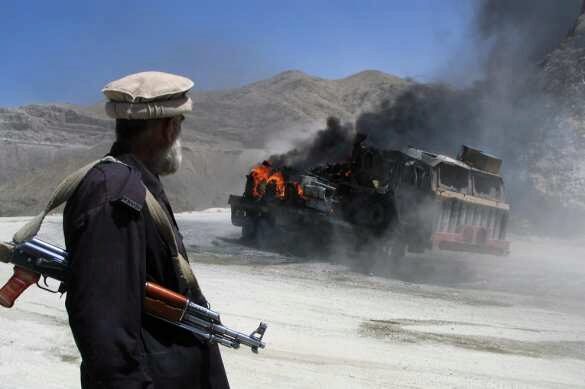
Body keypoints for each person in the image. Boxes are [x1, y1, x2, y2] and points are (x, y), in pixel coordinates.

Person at [62, 71, 230, 388]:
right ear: (168, 128)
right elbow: (107, 332)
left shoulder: (134, 185)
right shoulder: (116, 193)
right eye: (180, 125)